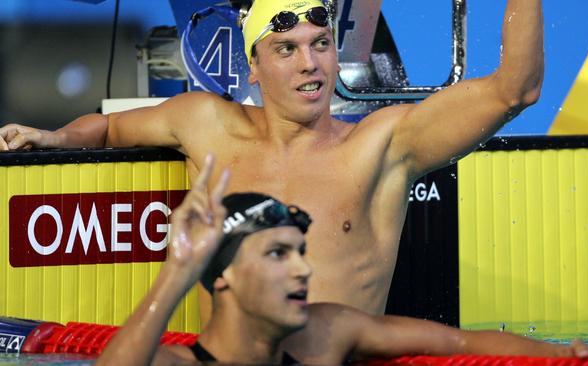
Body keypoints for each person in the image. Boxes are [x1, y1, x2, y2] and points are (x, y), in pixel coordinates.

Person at [1, 0, 545, 319]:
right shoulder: (207, 123)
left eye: (322, 44)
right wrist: (55, 138)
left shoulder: (383, 143)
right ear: (253, 67)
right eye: (287, 50)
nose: (311, 65)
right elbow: (108, 128)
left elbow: (513, 91)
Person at [95, 155, 588, 366]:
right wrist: (179, 268)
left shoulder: (326, 333)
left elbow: (458, 343)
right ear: (225, 277)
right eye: (278, 254)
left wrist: (569, 354)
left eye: (301, 253)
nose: (304, 269)